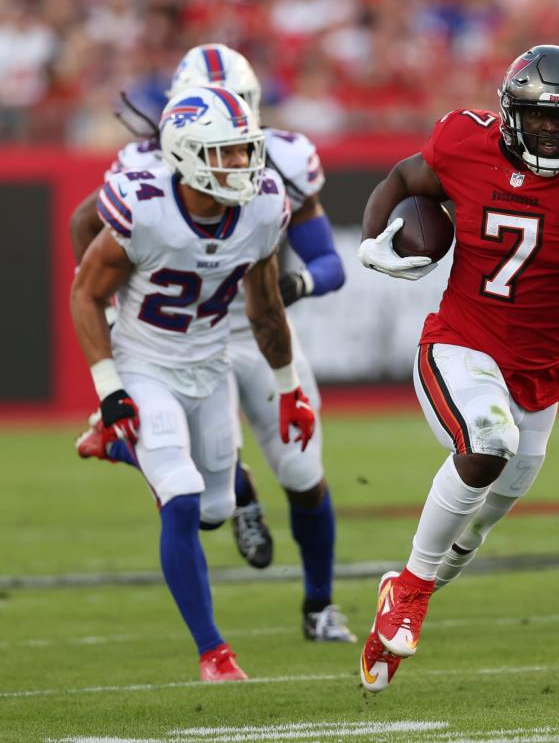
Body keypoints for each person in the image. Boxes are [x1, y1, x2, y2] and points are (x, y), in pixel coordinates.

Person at [354, 44, 559, 692]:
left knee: (475, 527)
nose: (550, 129)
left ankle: (405, 599)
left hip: (538, 377)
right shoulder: (464, 142)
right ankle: (408, 590)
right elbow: (403, 181)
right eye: (537, 116)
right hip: (460, 344)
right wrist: (373, 242)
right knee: (487, 445)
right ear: (509, 112)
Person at [69, 43, 353, 643]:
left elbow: (331, 262)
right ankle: (225, 484)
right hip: (181, 340)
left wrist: (285, 287)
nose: (233, 142)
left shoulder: (280, 164)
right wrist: (120, 319)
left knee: (304, 469)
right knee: (200, 502)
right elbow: (85, 232)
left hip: (255, 329)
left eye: (240, 113)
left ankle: (320, 607)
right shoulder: (144, 172)